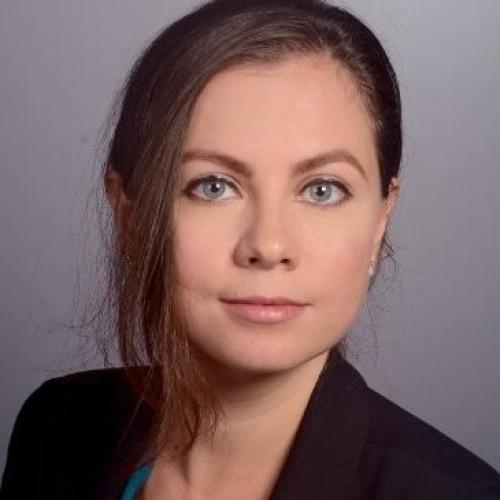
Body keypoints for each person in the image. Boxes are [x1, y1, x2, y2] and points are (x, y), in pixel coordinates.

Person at [1, 0, 499, 499]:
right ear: (130, 219)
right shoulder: (55, 430)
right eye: (213, 186)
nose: (268, 245)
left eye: (322, 189)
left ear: (379, 222)